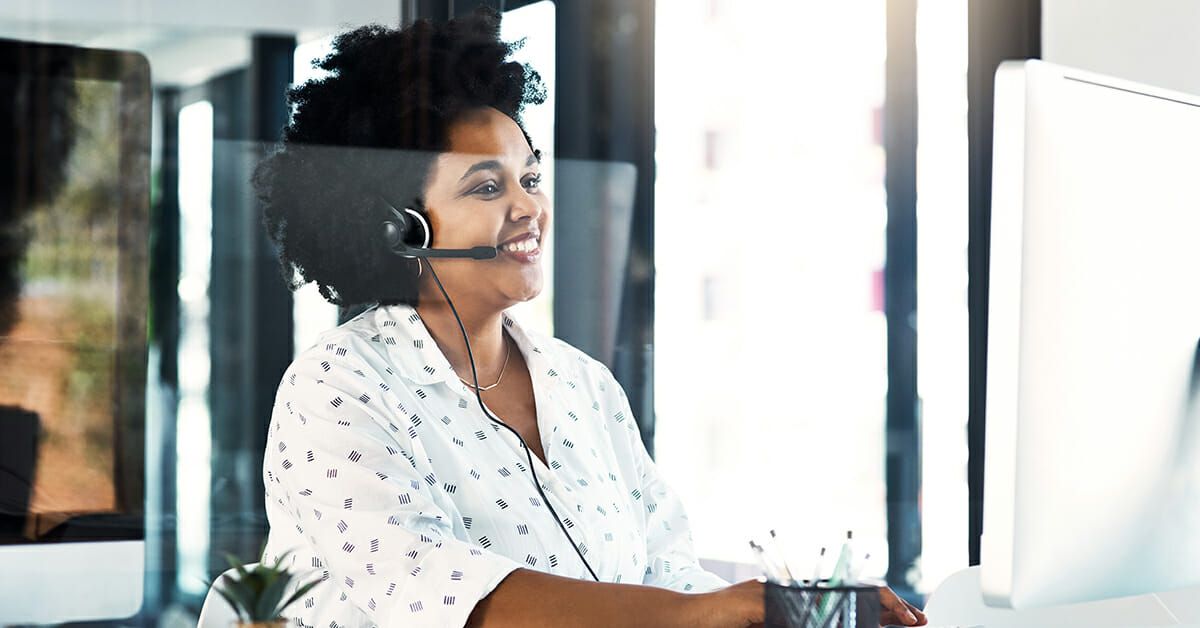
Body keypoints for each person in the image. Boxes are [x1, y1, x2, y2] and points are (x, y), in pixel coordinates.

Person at [253, 7, 927, 627]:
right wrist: (706, 612)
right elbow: (438, 594)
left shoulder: (581, 385)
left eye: (531, 178)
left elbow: (666, 574)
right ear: (400, 228)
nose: (529, 208)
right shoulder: (338, 387)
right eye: (486, 187)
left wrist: (797, 613)